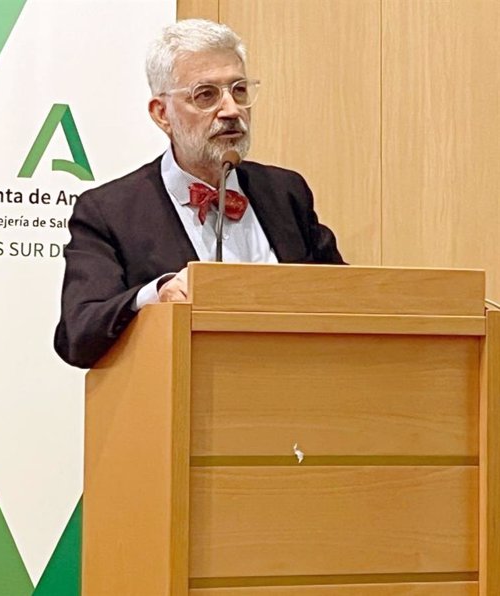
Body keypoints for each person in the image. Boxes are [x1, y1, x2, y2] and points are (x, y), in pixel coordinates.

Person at [55, 19, 344, 368]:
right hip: (181, 406)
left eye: (238, 90)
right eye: (206, 95)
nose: (231, 110)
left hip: (297, 399)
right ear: (162, 114)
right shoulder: (109, 211)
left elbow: (342, 298)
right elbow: (77, 335)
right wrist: (154, 296)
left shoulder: (286, 193)